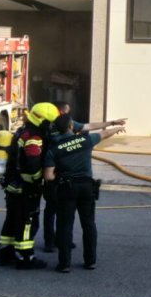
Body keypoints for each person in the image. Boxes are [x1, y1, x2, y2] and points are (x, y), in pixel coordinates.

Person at [44, 113, 125, 273]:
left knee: (64, 226)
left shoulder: (53, 150)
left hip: (66, 189)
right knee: (88, 224)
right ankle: (90, 261)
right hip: (87, 187)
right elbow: (104, 134)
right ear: (71, 127)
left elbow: (48, 176)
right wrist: (117, 128)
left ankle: (65, 264)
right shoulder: (85, 140)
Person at [0, 102, 61, 269]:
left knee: (11, 219)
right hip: (26, 188)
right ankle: (26, 258)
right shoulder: (34, 137)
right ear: (44, 121)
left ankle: (6, 253)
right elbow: (32, 163)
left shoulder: (22, 130)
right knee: (28, 222)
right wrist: (38, 181)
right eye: (51, 122)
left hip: (12, 185)